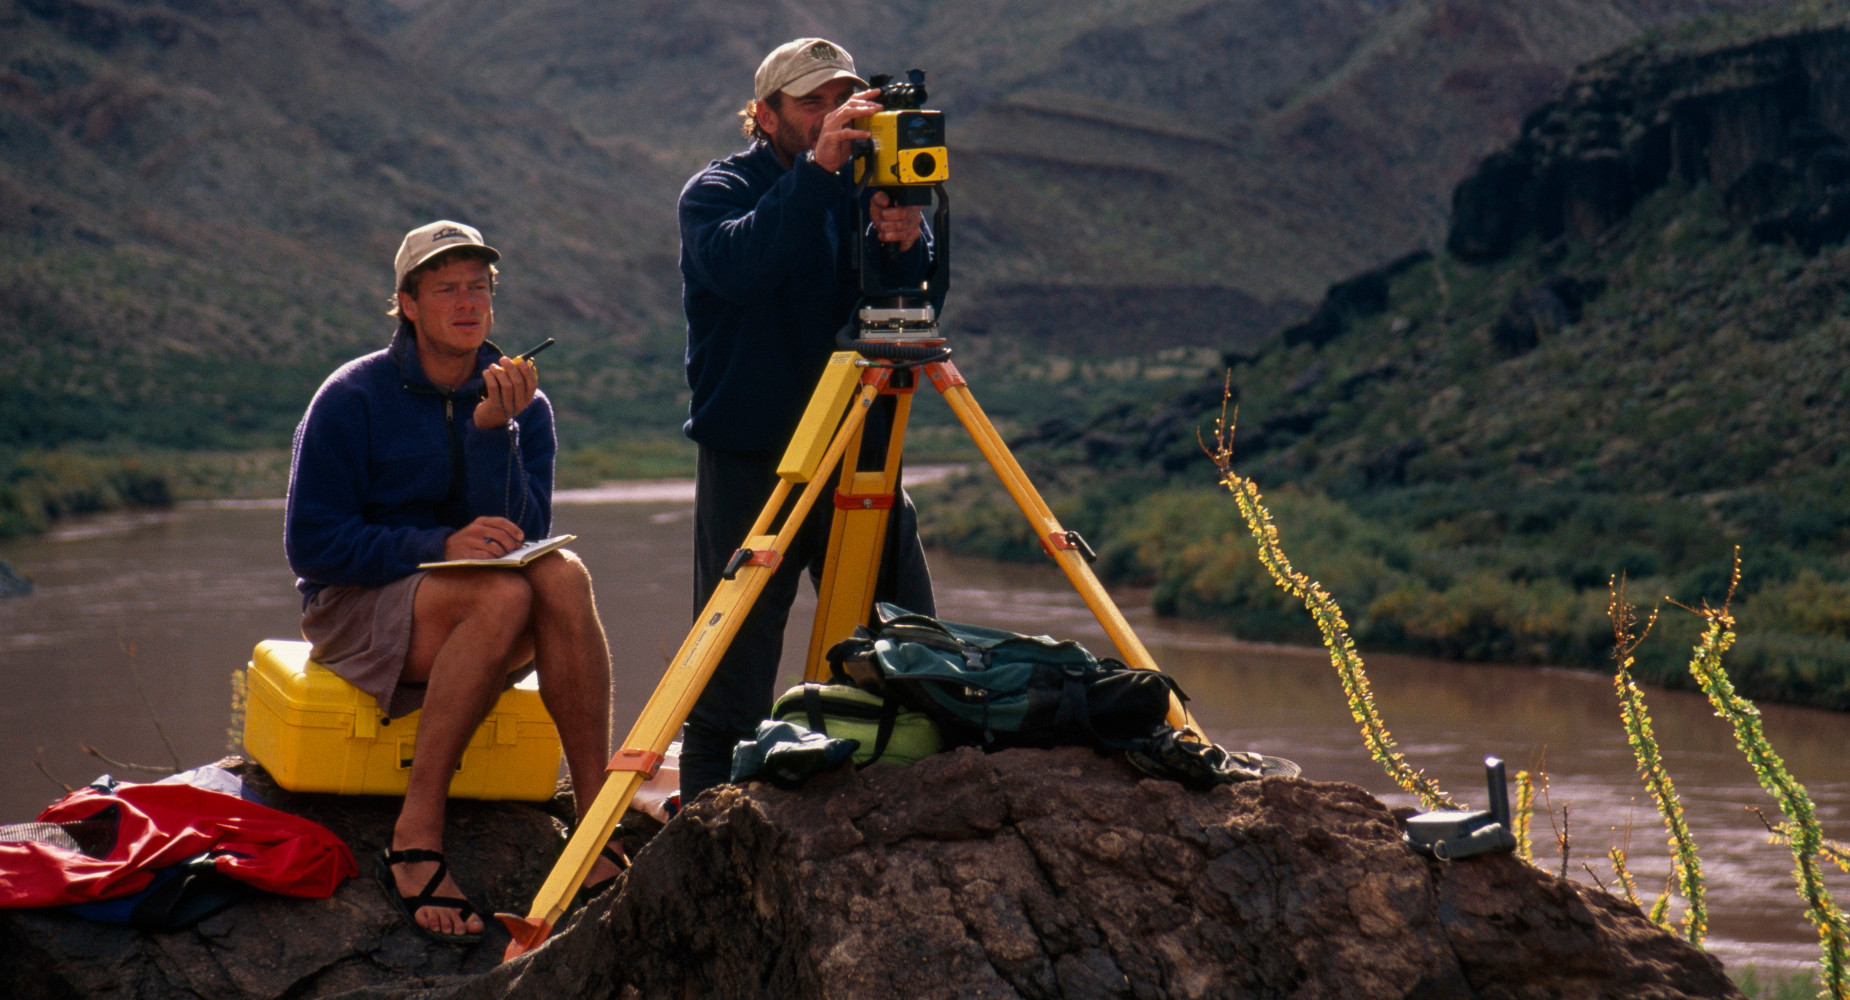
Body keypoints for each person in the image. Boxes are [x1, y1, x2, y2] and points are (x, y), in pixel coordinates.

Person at [284, 221, 621, 943]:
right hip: (354, 604)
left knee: (561, 576)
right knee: (499, 593)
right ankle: (417, 834)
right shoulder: (351, 398)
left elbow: (522, 537)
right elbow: (313, 545)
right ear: (408, 303)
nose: (467, 303)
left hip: (470, 609)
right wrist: (436, 544)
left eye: (479, 288)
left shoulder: (523, 400)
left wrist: (494, 431)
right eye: (446, 289)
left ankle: (593, 819)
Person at [676, 38, 939, 802]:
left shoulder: (865, 190)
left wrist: (905, 247)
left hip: (857, 447)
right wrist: (821, 175)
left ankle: (902, 808)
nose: (831, 115)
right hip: (752, 458)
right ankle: (702, 836)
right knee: (731, 678)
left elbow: (902, 321)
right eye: (811, 102)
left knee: (907, 644)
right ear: (765, 115)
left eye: (841, 100)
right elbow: (742, 269)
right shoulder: (715, 191)